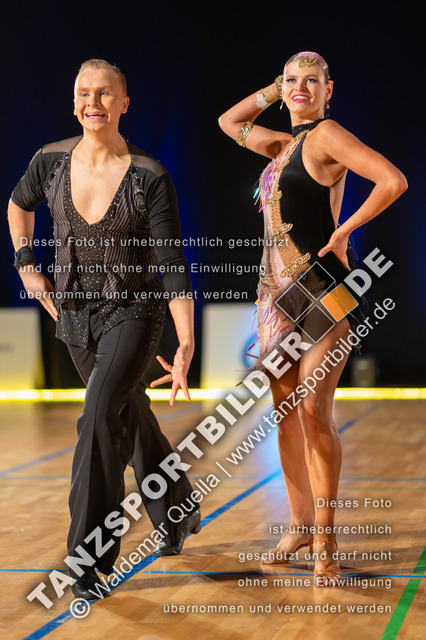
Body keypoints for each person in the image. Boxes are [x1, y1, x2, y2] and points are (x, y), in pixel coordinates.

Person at [8, 58, 200, 599]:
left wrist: (186, 341)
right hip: (73, 315)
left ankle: (86, 560)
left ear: (123, 103)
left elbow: (172, 263)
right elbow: (18, 206)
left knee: (97, 416)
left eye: (104, 93)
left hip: (134, 311)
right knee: (128, 412)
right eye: (84, 93)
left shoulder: (148, 175)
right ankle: (178, 508)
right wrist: (26, 263)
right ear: (75, 102)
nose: (93, 102)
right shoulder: (49, 161)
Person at [218, 51, 407, 586]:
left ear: (329, 89)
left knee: (313, 412)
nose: (300, 87)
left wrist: (345, 231)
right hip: (275, 300)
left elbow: (392, 181)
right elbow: (229, 122)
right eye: (292, 80)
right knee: (285, 414)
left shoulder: (327, 135)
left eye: (311, 80)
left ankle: (325, 539)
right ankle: (300, 526)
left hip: (324, 293)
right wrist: (275, 88)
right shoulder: (282, 145)